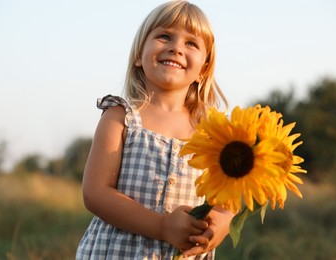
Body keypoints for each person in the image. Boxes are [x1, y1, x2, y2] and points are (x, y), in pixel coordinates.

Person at [76, 1, 233, 259]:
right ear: (139, 55)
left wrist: (222, 223)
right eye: (164, 36)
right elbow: (95, 193)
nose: (176, 48)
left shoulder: (214, 133)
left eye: (191, 43)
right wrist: (162, 226)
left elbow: (228, 199)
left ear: (203, 69)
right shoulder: (121, 116)